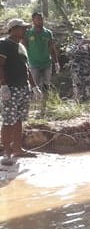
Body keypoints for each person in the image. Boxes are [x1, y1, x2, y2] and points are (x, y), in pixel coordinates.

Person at [0, 19, 43, 165]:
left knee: (19, 120)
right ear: (13, 29)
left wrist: (34, 86)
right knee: (8, 121)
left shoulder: (21, 46)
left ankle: (17, 149)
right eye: (22, 28)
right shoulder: (4, 44)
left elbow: (27, 68)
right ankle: (6, 152)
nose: (24, 30)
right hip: (11, 88)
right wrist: (4, 86)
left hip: (23, 88)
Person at [23, 12, 59, 114]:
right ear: (33, 20)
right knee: (33, 86)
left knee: (46, 85)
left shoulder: (48, 33)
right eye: (38, 19)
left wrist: (56, 62)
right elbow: (23, 48)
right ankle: (32, 109)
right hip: (33, 64)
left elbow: (52, 48)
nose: (40, 21)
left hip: (47, 63)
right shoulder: (28, 33)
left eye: (41, 19)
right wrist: (24, 61)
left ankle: (43, 108)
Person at [68, 30, 90, 102]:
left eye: (80, 38)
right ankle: (79, 101)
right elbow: (70, 54)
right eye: (78, 39)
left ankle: (89, 100)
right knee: (77, 85)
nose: (80, 40)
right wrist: (79, 45)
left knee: (88, 85)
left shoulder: (86, 46)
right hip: (76, 70)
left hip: (86, 69)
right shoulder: (71, 46)